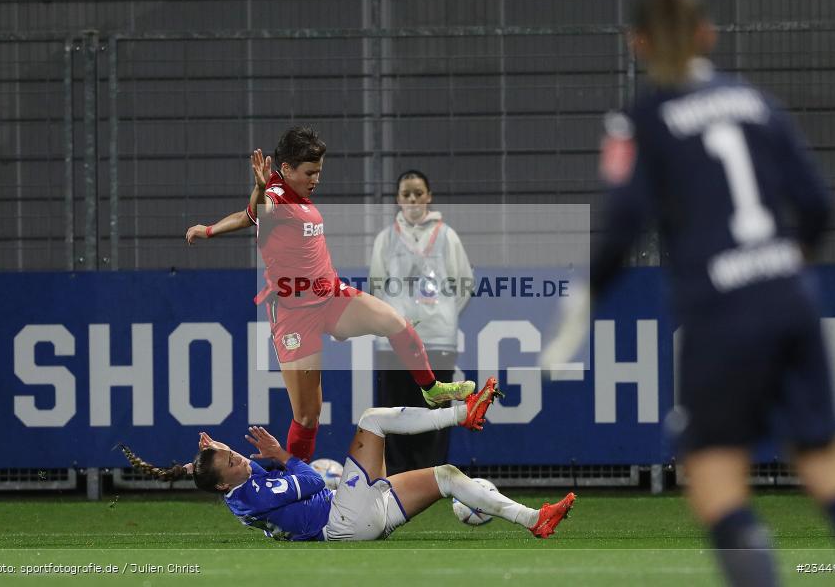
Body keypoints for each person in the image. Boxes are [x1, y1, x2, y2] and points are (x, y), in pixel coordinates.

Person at [540, 0, 835, 585]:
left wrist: (584, 299)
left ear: (636, 44)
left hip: (720, 313)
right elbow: (819, 205)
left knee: (716, 473)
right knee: (829, 468)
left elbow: (623, 224)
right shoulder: (758, 103)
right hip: (792, 299)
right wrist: (779, 264)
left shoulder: (640, 121)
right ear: (707, 35)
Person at [185, 127, 481, 462]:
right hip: (294, 313)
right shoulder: (276, 196)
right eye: (310, 173)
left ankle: (431, 390)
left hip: (330, 296)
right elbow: (259, 210)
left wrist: (208, 229)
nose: (316, 179)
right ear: (287, 169)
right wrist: (259, 188)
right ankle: (296, 485)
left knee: (396, 322)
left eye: (319, 172)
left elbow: (245, 217)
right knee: (308, 416)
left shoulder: (295, 194)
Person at [121, 378, 576, 541]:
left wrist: (199, 458)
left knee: (446, 475)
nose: (241, 458)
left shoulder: (239, 485)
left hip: (356, 513)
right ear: (225, 485)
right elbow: (314, 483)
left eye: (232, 453)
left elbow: (232, 473)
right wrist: (284, 456)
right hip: (342, 520)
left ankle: (536, 518)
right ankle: (463, 412)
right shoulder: (250, 496)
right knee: (371, 420)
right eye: (232, 461)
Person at [369, 169, 474, 475]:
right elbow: (376, 286)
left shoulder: (446, 236)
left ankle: (433, 477)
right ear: (398, 200)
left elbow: (464, 282)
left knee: (436, 412)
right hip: (395, 342)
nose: (413, 199)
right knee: (395, 410)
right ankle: (399, 478)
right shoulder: (386, 239)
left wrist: (444, 314)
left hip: (437, 340)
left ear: (429, 196)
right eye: (406, 194)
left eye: (418, 193)